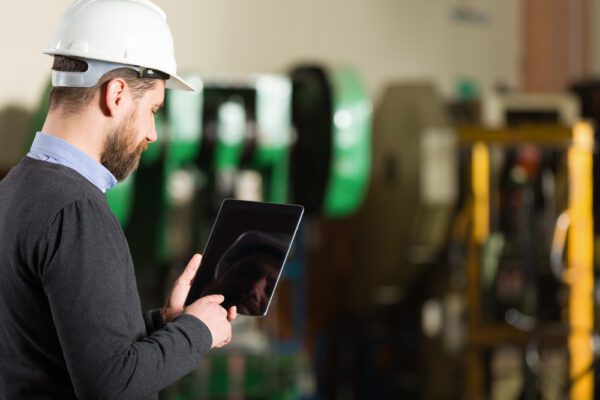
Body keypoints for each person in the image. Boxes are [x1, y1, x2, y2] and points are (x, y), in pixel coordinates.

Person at [0, 0, 236, 398]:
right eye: (154, 109)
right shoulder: (76, 211)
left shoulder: (14, 190)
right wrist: (199, 331)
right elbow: (111, 384)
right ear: (117, 94)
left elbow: (65, 347)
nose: (153, 132)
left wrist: (169, 323)